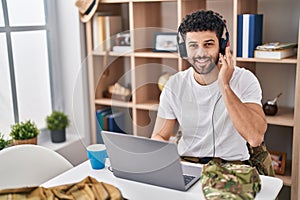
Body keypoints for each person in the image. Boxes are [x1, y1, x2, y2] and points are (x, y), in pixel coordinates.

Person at [151, 10, 267, 164]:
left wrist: (224, 85)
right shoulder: (174, 84)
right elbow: (160, 136)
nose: (201, 53)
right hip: (188, 162)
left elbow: (255, 138)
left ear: (223, 46)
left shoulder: (244, 79)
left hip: (232, 167)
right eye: (193, 45)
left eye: (208, 44)